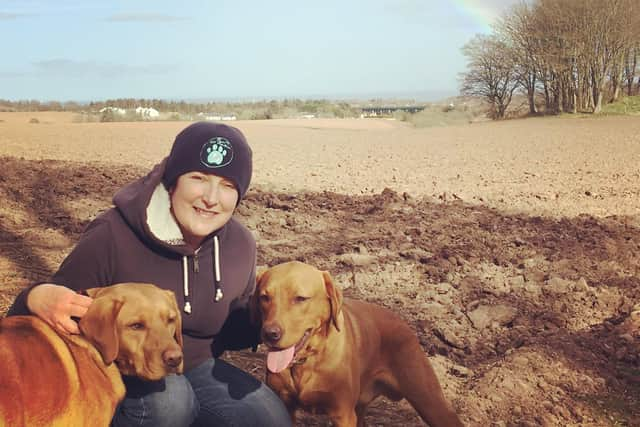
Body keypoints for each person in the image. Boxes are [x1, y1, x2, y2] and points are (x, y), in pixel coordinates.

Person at [7, 121, 292, 427]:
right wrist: (36, 295)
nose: (211, 197)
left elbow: (233, 326)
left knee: (268, 416)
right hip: (117, 368)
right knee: (170, 403)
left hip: (193, 365)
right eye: (198, 178)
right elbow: (45, 312)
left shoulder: (240, 246)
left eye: (227, 185)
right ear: (173, 182)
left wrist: (274, 320)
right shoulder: (113, 235)